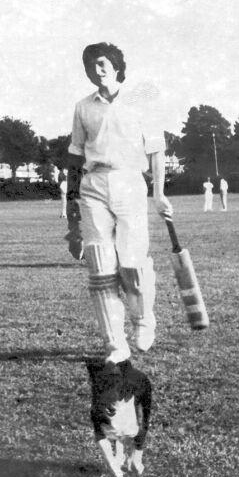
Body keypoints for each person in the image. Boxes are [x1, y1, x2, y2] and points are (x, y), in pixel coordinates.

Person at [64, 42, 172, 364]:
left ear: (115, 65)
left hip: (129, 182)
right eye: (90, 66)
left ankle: (143, 319)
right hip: (94, 184)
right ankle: (115, 346)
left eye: (101, 63)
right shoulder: (83, 107)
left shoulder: (139, 102)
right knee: (100, 269)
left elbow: (156, 149)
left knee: (133, 266)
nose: (97, 71)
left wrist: (160, 193)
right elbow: (74, 156)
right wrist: (71, 212)